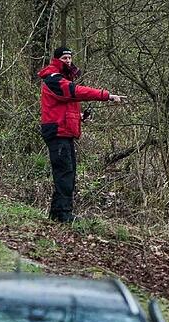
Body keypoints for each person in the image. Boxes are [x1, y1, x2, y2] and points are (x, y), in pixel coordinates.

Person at [38, 46, 123, 223]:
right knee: (65, 174)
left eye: (70, 58)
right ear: (56, 60)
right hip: (57, 133)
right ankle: (63, 215)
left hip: (64, 131)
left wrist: (79, 117)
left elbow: (62, 107)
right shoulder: (53, 79)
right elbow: (75, 92)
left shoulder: (61, 78)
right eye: (64, 58)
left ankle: (57, 214)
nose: (68, 61)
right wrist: (105, 95)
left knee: (67, 173)